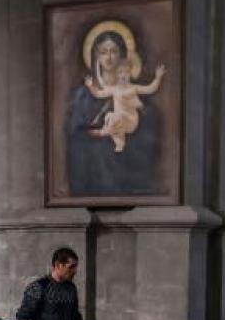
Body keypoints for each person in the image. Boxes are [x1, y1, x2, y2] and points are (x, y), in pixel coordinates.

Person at [65, 26, 162, 196]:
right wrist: (96, 135)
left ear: (122, 55)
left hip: (126, 165)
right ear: (96, 56)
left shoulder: (133, 90)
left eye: (114, 51)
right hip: (93, 168)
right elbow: (74, 134)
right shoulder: (83, 94)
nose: (108, 57)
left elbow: (149, 133)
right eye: (103, 52)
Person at [84, 59, 166, 153]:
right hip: (118, 123)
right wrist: (90, 86)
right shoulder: (114, 89)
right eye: (120, 72)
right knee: (110, 118)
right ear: (116, 75)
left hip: (130, 121)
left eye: (126, 72)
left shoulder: (133, 88)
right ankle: (120, 144)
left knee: (114, 117)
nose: (123, 75)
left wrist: (158, 78)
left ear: (130, 73)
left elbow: (150, 89)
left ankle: (103, 132)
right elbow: (98, 94)